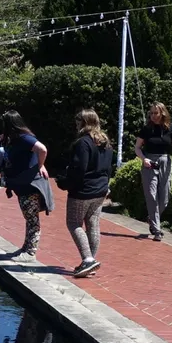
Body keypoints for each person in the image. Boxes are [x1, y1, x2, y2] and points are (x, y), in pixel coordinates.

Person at [63, 109, 114, 276]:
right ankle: (90, 262)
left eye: (77, 121)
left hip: (83, 190)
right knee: (93, 224)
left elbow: (79, 169)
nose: (75, 124)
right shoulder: (105, 142)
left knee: (74, 223)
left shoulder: (83, 143)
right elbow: (108, 168)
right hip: (100, 190)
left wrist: (66, 183)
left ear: (83, 122)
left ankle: (88, 260)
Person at [0, 109, 52, 256]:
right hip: (22, 185)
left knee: (32, 218)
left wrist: (40, 165)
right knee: (28, 216)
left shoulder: (24, 138)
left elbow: (42, 149)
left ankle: (30, 251)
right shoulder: (14, 139)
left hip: (31, 185)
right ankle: (26, 247)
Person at [134, 101, 172, 240]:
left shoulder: (171, 128)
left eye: (156, 113)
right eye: (151, 113)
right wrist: (143, 158)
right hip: (149, 162)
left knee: (165, 199)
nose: (153, 116)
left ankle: (152, 218)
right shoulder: (146, 129)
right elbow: (137, 148)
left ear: (163, 113)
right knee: (151, 195)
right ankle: (157, 230)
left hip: (165, 162)